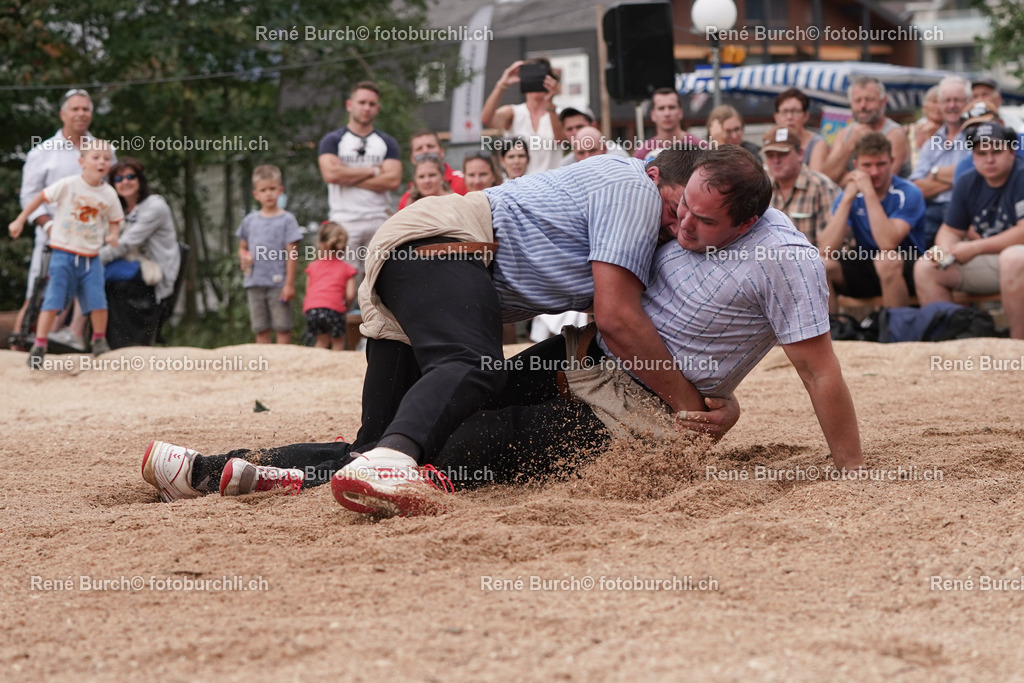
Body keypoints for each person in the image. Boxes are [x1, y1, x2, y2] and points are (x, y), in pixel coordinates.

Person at [139, 148, 864, 510]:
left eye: (699, 221)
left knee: (401, 434)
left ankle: (220, 468)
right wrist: (694, 403)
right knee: (466, 382)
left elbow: (786, 355)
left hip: (435, 269)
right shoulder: (634, 190)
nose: (679, 226)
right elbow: (615, 313)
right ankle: (388, 458)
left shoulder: (740, 245)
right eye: (681, 208)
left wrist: (715, 399)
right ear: (661, 177)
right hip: (455, 256)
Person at [15, 89, 115, 350]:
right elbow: (30, 195)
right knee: (39, 293)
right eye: (75, 109)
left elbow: (109, 194)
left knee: (89, 294)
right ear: (63, 114)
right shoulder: (43, 152)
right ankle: (19, 351)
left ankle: (75, 341)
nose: (81, 114)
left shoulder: (104, 151)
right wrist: (48, 225)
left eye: (86, 109)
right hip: (53, 241)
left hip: (90, 241)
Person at [9, 139, 123, 367]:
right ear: (82, 162)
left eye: (106, 158)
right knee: (52, 300)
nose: (102, 162)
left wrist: (113, 235)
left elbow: (115, 220)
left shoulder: (109, 194)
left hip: (91, 257)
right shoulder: (68, 184)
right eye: (96, 157)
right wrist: (20, 219)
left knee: (98, 301)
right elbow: (41, 197)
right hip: (63, 253)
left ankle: (99, 340)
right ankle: (40, 344)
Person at [914, 122, 1024, 339]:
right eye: (981, 153)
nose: (989, 159)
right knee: (926, 267)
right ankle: (955, 340)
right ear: (972, 156)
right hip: (990, 261)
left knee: (1013, 258)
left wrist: (973, 247)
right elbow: (950, 229)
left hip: (1016, 260)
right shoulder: (966, 181)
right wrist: (945, 251)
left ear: (1011, 151)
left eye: (996, 151)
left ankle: (1018, 346)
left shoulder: (1022, 175)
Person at [819, 133, 927, 310]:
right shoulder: (849, 195)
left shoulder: (908, 192)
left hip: (908, 266)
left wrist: (868, 193)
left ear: (892, 161)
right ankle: (836, 331)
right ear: (856, 166)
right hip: (868, 263)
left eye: (881, 164)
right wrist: (847, 199)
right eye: (867, 165)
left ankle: (896, 330)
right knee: (820, 264)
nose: (874, 172)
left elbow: (887, 243)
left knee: (886, 260)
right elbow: (827, 248)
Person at [317, 81, 402, 273]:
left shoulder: (387, 142)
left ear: (377, 108)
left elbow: (393, 180)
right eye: (362, 102)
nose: (367, 108)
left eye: (372, 104)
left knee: (378, 284)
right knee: (340, 285)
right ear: (349, 105)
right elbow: (330, 174)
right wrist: (374, 170)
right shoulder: (332, 140)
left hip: (378, 220)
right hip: (344, 222)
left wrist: (346, 175)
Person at [100, 157, 181, 349]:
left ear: (140, 180)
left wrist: (92, 259)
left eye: (130, 176)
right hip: (128, 262)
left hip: (152, 269)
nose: (125, 182)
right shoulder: (118, 208)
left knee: (94, 274)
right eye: (119, 179)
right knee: (86, 276)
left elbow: (126, 244)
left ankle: (93, 337)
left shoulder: (154, 206)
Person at [237, 165, 303, 345]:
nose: (268, 194)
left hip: (278, 283)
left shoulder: (287, 220)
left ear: (280, 191)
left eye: (272, 189)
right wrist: (243, 256)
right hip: (254, 282)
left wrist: (289, 284)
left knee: (282, 327)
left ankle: (283, 367)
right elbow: (242, 247)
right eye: (263, 190)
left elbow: (292, 254)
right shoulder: (249, 220)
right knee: (260, 328)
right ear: (256, 194)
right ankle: (264, 367)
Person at [909, 76, 972, 249]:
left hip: (967, 212)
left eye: (957, 100)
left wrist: (934, 173)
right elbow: (917, 187)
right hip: (932, 211)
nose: (952, 105)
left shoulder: (979, 138)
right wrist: (959, 178)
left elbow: (978, 174)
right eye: (946, 100)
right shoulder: (931, 142)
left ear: (969, 102)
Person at [481, 58, 565, 174]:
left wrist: (550, 103)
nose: (537, 83)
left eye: (541, 78)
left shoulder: (559, 114)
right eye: (531, 78)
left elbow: (560, 139)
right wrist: (502, 84)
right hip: (520, 186)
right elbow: (487, 120)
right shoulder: (514, 113)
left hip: (551, 185)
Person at [822, 76, 912, 183]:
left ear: (883, 101)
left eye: (869, 100)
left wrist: (843, 178)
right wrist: (849, 145)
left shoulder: (894, 134)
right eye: (857, 100)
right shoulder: (844, 133)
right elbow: (824, 180)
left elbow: (882, 183)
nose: (863, 105)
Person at [761, 125, 839, 243]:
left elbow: (829, 247)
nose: (776, 161)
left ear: (800, 154)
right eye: (770, 155)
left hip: (811, 257)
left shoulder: (821, 187)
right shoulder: (761, 188)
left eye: (782, 154)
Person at [303, 222, 358, 350]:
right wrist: (346, 307)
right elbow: (350, 294)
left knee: (321, 341)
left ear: (321, 244)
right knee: (337, 342)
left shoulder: (312, 266)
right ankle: (335, 368)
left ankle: (317, 367)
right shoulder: (347, 269)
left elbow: (309, 291)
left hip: (313, 310)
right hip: (334, 310)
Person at [395, 130, 466, 210]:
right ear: (412, 158)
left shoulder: (464, 182)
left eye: (430, 146)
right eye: (419, 148)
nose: (425, 151)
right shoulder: (407, 199)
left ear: (441, 151)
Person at [633, 88, 704, 163]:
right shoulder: (642, 153)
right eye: (661, 108)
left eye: (671, 107)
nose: (667, 113)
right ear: (653, 115)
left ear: (680, 112)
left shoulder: (700, 147)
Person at [773, 88, 828, 172]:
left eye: (795, 112)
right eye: (784, 112)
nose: (789, 117)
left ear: (806, 116)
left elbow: (815, 177)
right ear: (777, 117)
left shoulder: (817, 143)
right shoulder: (772, 140)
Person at [558, 105, 628, 166]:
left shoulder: (618, 159)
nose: (575, 132)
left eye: (580, 127)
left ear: (594, 126)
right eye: (569, 129)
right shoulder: (565, 164)